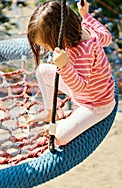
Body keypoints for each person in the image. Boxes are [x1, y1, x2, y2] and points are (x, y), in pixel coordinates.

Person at [26, 0, 116, 146]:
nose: (48, 49)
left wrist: (64, 66)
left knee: (59, 138)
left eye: (47, 44)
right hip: (85, 92)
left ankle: (64, 122)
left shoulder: (83, 51)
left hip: (95, 104)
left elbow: (79, 86)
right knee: (42, 71)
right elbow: (107, 37)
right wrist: (86, 16)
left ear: (60, 35)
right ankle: (50, 112)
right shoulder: (84, 26)